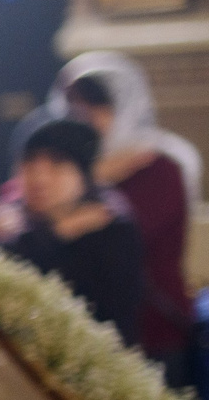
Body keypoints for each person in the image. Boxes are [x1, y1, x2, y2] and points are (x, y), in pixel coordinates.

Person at [59, 53, 195, 375]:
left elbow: (122, 234)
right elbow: (15, 210)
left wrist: (73, 207)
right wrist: (92, 178)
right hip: (80, 333)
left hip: (151, 333)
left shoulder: (161, 167)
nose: (86, 118)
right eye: (75, 108)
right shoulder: (61, 166)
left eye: (98, 105)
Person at [0, 118, 146, 347]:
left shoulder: (109, 225)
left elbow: (103, 317)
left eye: (56, 164)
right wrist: (58, 231)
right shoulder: (1, 214)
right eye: (29, 163)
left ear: (83, 174)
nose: (40, 178)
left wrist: (30, 240)